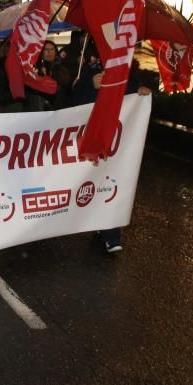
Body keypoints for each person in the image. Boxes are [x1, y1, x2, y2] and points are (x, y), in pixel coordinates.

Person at [72, 46, 151, 254]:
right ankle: (96, 223)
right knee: (91, 183)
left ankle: (111, 233)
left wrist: (141, 92)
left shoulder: (126, 74)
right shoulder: (90, 73)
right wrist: (90, 86)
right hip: (91, 140)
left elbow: (132, 96)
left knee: (110, 184)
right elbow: (73, 104)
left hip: (115, 142)